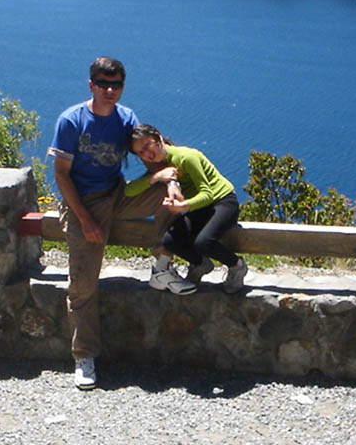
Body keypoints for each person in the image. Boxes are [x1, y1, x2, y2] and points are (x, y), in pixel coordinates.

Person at [47, 57, 195, 391]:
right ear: (91, 85)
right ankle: (84, 356)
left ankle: (161, 265)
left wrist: (168, 181)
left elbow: (150, 151)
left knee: (169, 199)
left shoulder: (126, 117)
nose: (110, 90)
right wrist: (85, 219)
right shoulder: (72, 121)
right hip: (84, 203)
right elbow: (61, 175)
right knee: (83, 284)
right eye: (103, 84)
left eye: (116, 85)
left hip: (118, 193)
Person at [126, 123, 248, 295]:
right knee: (169, 241)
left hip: (223, 202)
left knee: (204, 242)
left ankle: (237, 266)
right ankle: (200, 263)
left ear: (158, 137)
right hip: (199, 208)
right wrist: (155, 178)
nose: (147, 154)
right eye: (140, 152)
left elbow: (208, 193)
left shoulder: (186, 157)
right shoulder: (160, 167)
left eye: (147, 145)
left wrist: (184, 206)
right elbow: (129, 191)